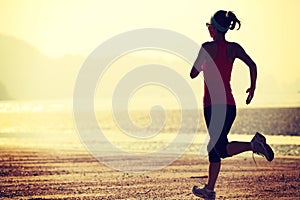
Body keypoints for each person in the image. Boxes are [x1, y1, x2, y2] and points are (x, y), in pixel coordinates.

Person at [190, 10, 274, 199]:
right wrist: (252, 88)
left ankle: (255, 144)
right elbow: (252, 65)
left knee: (220, 148)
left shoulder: (206, 48)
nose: (208, 30)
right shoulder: (234, 48)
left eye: (209, 26)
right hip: (229, 105)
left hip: (213, 106)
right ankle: (209, 190)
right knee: (214, 147)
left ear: (213, 29)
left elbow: (192, 73)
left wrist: (203, 63)